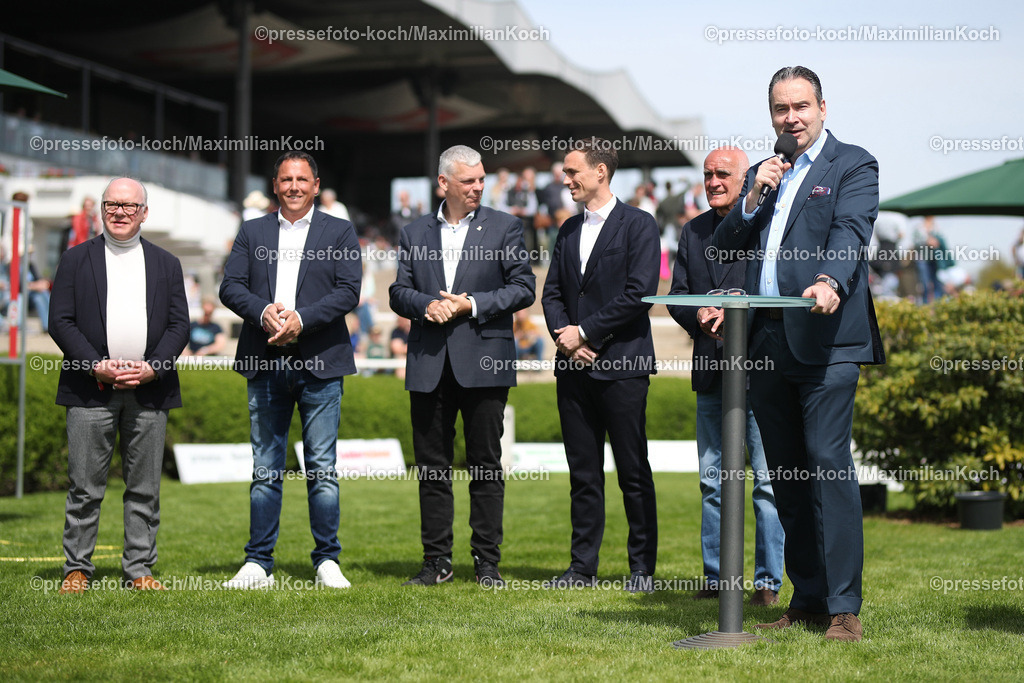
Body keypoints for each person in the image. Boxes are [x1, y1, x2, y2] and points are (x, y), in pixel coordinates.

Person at [712, 66, 885, 642]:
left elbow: (851, 231)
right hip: (764, 343)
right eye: (781, 109)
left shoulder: (852, 164)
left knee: (827, 464)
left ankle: (844, 607)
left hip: (826, 339)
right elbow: (724, 245)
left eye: (801, 106)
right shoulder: (767, 173)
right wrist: (752, 194)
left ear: (822, 108)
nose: (791, 118)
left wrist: (830, 280)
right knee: (785, 474)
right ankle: (807, 597)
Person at [389, 145, 535, 587]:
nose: (478, 187)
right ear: (444, 183)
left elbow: (523, 287)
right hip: (428, 363)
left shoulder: (506, 226)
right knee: (432, 469)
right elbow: (398, 292)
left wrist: (471, 304)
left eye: (481, 179)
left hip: (485, 363)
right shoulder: (413, 232)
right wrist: (426, 305)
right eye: (468, 180)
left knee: (485, 466)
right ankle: (436, 562)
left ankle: (487, 562)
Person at [219, 152, 362, 589]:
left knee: (322, 468)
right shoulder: (252, 230)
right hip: (265, 362)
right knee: (265, 469)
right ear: (275, 185)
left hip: (321, 362)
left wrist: (301, 319)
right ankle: (258, 562)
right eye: (286, 179)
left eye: (302, 179)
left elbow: (349, 291)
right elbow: (230, 286)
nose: (294, 186)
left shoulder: (339, 231)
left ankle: (327, 561)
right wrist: (263, 311)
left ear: (316, 186)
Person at [49, 177, 190, 593]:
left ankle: (139, 569)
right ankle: (77, 568)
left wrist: (154, 368)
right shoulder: (75, 259)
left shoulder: (167, 263)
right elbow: (60, 321)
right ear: (102, 210)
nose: (120, 212)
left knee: (144, 488)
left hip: (150, 389)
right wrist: (96, 366)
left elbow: (179, 325)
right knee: (84, 487)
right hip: (89, 389)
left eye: (130, 206)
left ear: (144, 213)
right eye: (113, 204)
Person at [540, 138, 660, 594]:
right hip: (573, 368)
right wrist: (567, 341)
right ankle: (581, 568)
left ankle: (641, 570)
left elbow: (639, 293)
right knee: (583, 474)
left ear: (600, 172)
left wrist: (585, 333)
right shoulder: (568, 229)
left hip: (623, 367)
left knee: (633, 472)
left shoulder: (639, 225)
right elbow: (552, 293)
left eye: (572, 172)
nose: (565, 179)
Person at [668, 147, 784, 606]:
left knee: (767, 485)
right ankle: (717, 578)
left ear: (746, 180)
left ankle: (767, 583)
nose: (714, 181)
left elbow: (773, 291)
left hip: (761, 371)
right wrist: (699, 313)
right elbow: (677, 295)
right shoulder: (692, 231)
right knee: (712, 481)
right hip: (711, 374)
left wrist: (735, 315)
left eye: (723, 174)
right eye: (708, 174)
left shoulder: (766, 226)